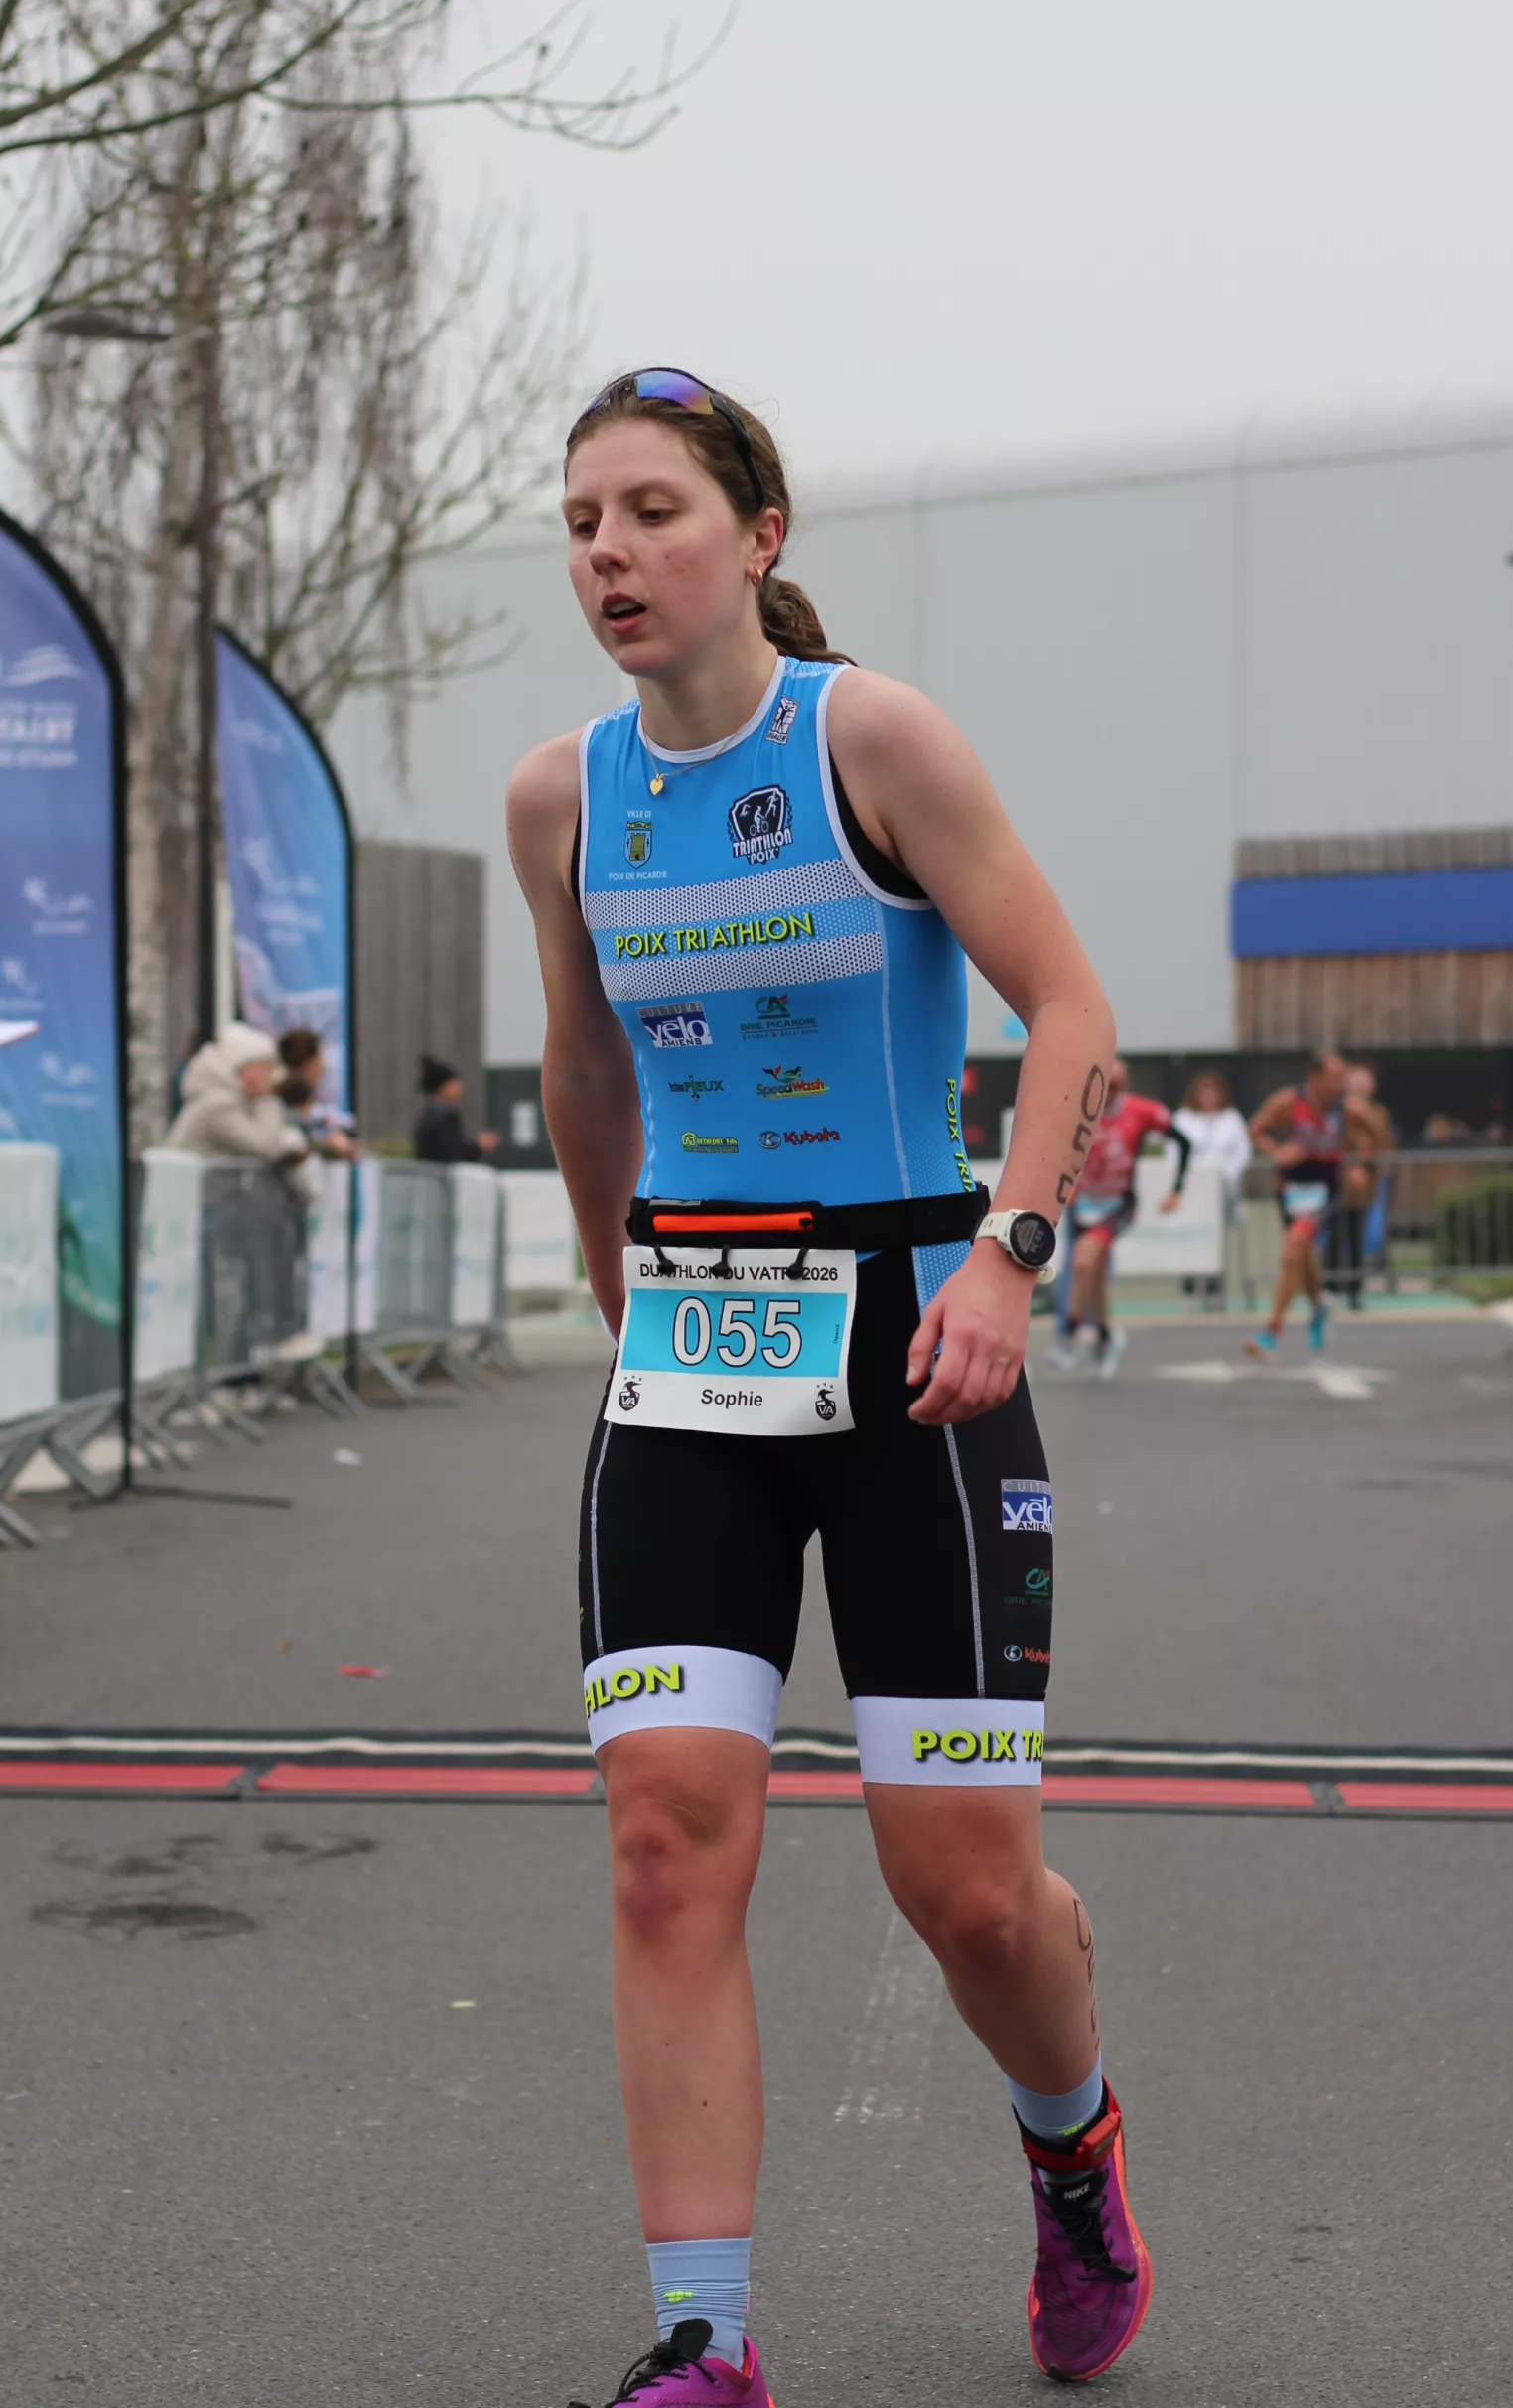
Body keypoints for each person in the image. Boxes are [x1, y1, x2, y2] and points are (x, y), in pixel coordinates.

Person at [507, 368, 1149, 2403]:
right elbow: (584, 1061)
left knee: (965, 1891)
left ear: (757, 535)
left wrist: (1006, 1259)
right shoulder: (561, 798)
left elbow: (1070, 1010)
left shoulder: (867, 736)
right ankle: (706, 2334)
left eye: (652, 510)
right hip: (693, 1341)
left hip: (913, 1340)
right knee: (665, 1839)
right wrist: (616, 1283)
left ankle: (1071, 2148)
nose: (609, 551)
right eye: (582, 520)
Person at [1049, 1060, 1189, 1378]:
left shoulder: (1141, 1111)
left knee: (1083, 1262)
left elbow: (1184, 1142)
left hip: (1116, 1205)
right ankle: (1104, 1338)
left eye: (1115, 1086)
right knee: (1094, 1274)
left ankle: (1070, 1333)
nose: (1109, 1092)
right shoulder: (1079, 1108)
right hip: (1083, 1203)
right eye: (1104, 1085)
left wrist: (1177, 1189)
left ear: (1125, 1086)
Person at [1242, 1049, 1371, 1359]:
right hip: (1291, 1188)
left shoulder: (1347, 1109)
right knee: (1301, 1255)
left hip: (1325, 1188)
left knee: (1292, 1249)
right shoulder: (1288, 1101)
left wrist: (1359, 1165)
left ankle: (1271, 1331)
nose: (1341, 1084)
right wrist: (1276, 1152)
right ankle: (1319, 1307)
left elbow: (1371, 1136)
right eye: (1335, 1078)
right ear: (1315, 1077)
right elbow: (1254, 1130)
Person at [165, 1023, 310, 1183]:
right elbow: (266, 1147)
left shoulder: (226, 1099)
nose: (272, 1076)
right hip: (187, 1191)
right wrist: (267, 1096)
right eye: (267, 1068)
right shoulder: (220, 1104)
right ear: (246, 1067)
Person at [1173, 1068, 1252, 1306]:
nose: (1208, 1098)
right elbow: (1173, 1150)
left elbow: (1242, 1152)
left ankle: (1214, 1287)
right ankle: (1190, 1287)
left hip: (1220, 1191)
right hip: (1191, 1189)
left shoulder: (1232, 1119)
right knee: (1190, 1237)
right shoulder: (1183, 1118)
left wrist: (1224, 1175)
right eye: (1203, 1092)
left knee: (1215, 1240)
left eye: (1213, 1092)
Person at [1328, 1062, 1392, 1311]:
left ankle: (1355, 1290)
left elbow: (1384, 1142)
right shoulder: (1336, 1109)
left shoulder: (1378, 1112)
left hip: (1365, 1183)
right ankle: (1329, 1288)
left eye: (1365, 1080)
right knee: (1334, 1233)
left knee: (1357, 1236)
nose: (1360, 1085)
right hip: (1337, 1180)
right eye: (1355, 1079)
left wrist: (1365, 1166)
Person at [276, 1025, 359, 1160]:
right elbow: (296, 1145)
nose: (323, 1064)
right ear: (309, 1064)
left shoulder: (307, 1105)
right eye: (320, 1057)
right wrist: (328, 1146)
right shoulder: (288, 1104)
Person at [411, 1055, 497, 1162]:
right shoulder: (440, 1118)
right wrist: (478, 1147)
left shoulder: (432, 1115)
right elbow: (452, 1154)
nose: (459, 1088)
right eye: (453, 1083)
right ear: (442, 1087)